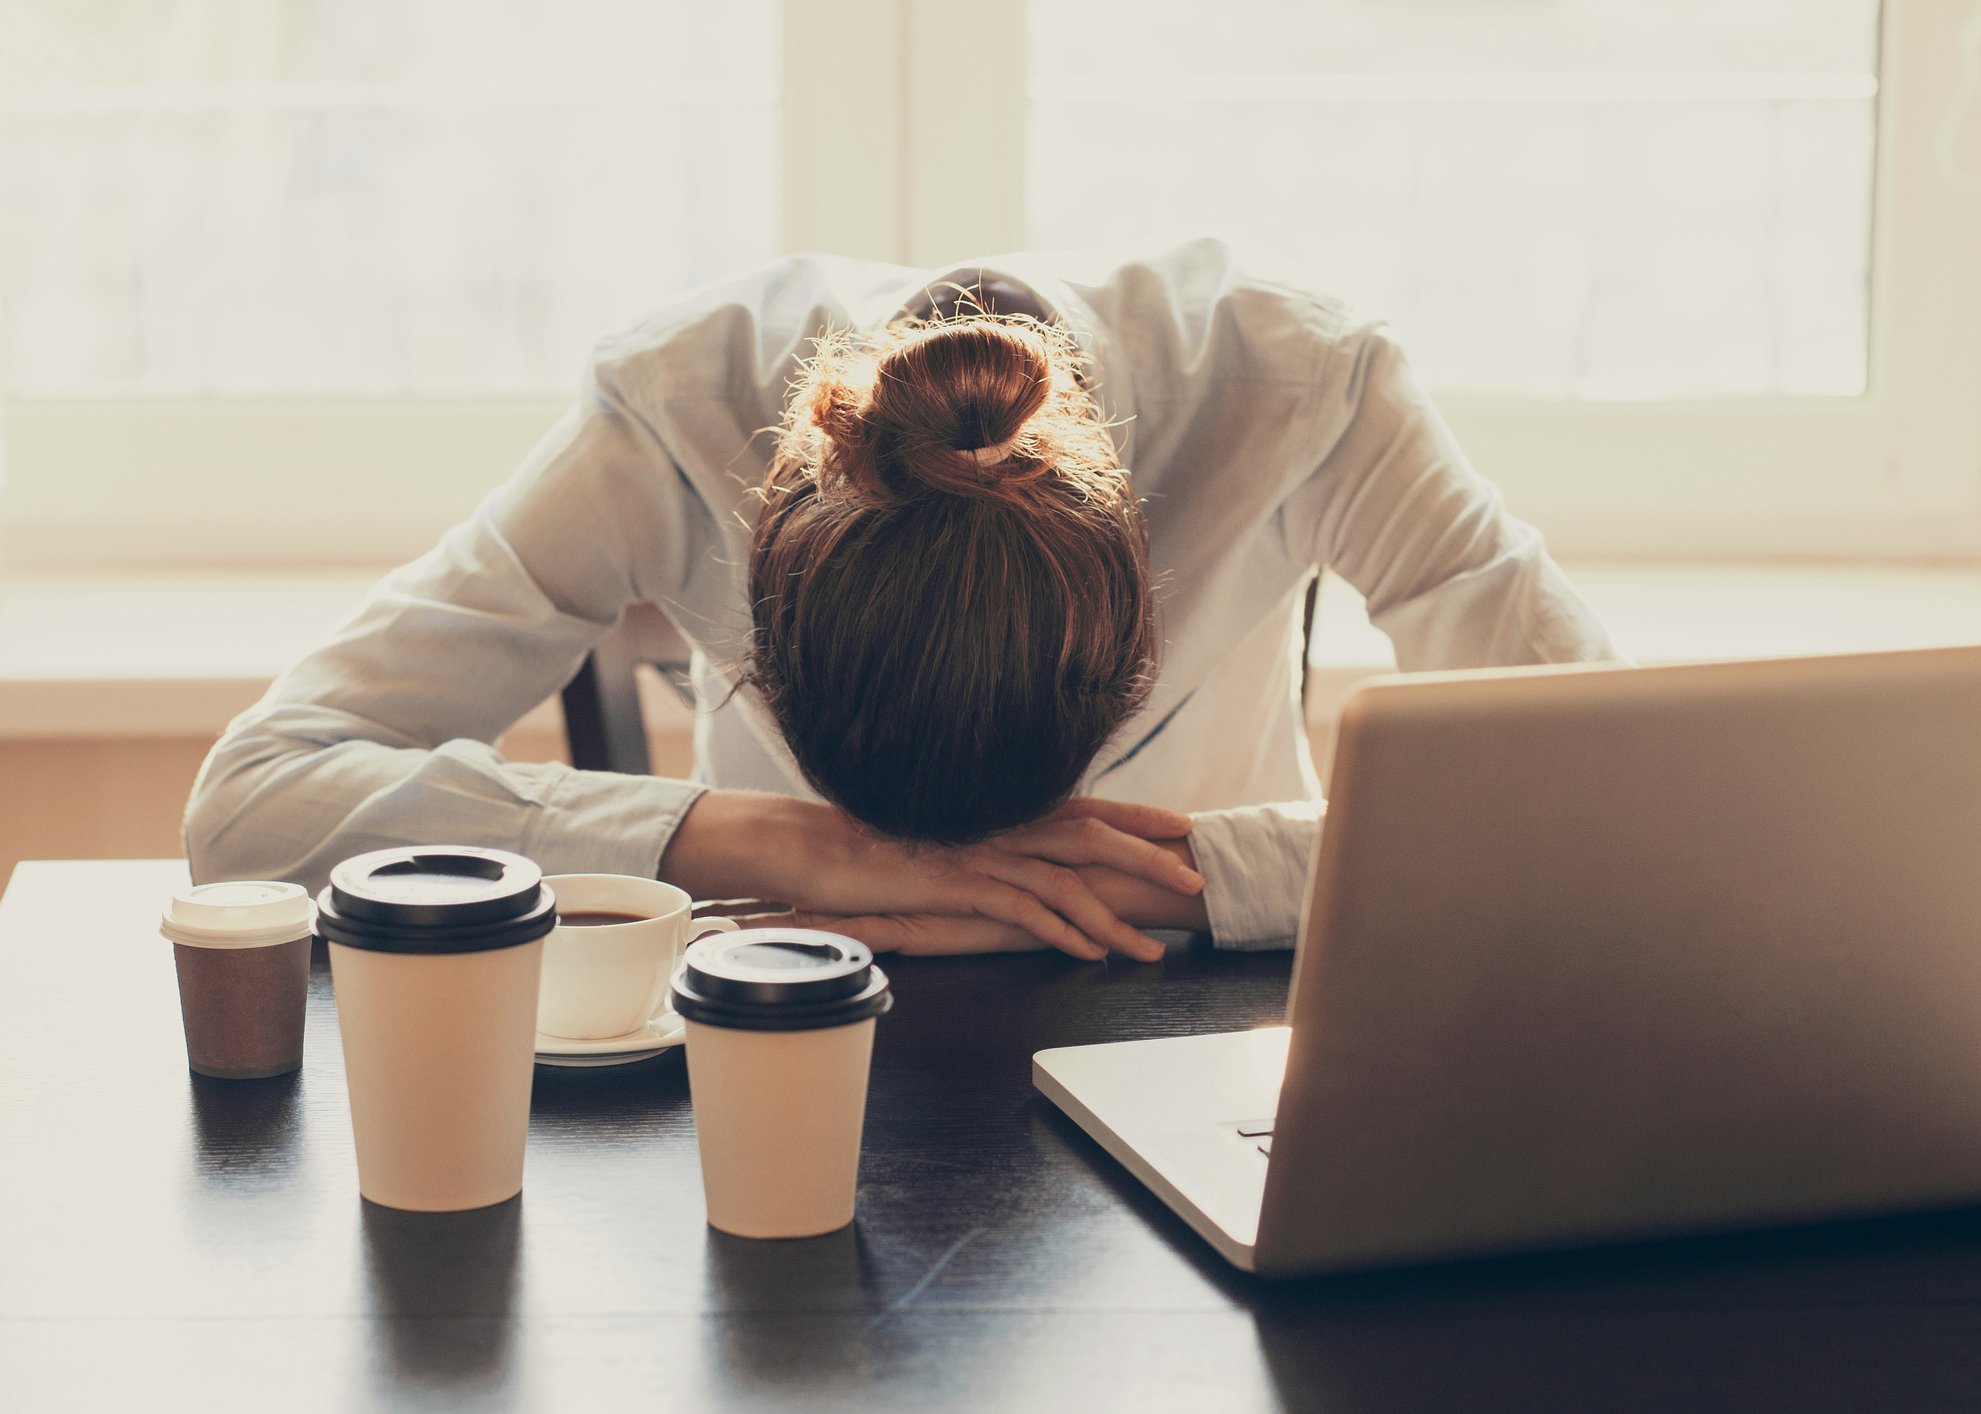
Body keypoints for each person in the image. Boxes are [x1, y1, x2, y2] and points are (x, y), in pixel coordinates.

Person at [185, 237, 1619, 960]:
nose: (979, 870)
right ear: (764, 598)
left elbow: (1621, 803)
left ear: (1135, 606)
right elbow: (256, 798)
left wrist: (1184, 873)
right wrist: (769, 842)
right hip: (796, 976)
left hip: (1197, 1006)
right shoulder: (679, 404)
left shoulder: (1308, 388)